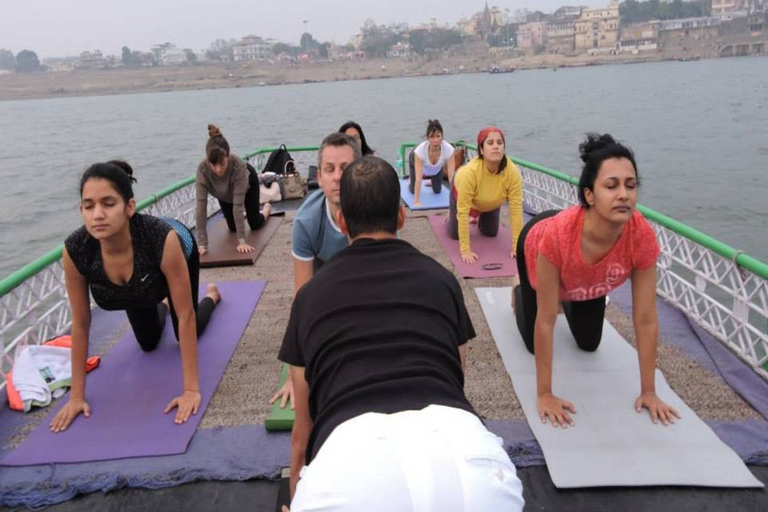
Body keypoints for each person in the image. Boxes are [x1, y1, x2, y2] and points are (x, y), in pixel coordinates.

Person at [279, 156, 525, 511]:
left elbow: (303, 428)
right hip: (468, 461)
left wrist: (297, 498)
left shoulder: (309, 298)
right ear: (401, 215)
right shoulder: (442, 281)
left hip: (347, 464)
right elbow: (456, 379)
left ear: (343, 221)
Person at [513, 133, 680, 429]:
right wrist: (545, 394)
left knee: (589, 344)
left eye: (631, 185)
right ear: (589, 195)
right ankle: (519, 294)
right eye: (611, 185)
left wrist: (649, 392)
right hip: (537, 247)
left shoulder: (641, 237)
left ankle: (568, 294)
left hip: (586, 279)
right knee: (533, 341)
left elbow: (645, 319)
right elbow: (548, 321)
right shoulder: (556, 237)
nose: (624, 195)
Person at [51, 161, 221, 433]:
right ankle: (163, 300)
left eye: (108, 204)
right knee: (148, 342)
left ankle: (211, 297)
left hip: (178, 251)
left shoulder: (160, 239)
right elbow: (81, 324)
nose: (97, 215)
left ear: (129, 207)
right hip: (139, 285)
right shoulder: (76, 251)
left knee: (183, 329)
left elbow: (187, 316)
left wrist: (191, 390)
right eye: (88, 205)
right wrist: (76, 397)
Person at [269, 133, 361, 409]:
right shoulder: (307, 221)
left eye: (345, 169)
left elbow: (393, 277)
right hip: (325, 280)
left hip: (361, 273)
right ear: (319, 178)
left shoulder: (377, 210)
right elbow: (302, 299)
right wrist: (293, 374)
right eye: (330, 170)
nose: (337, 178)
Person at [449, 126, 524, 264]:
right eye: (490, 143)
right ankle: (449, 218)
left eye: (499, 143)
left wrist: (517, 247)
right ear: (481, 150)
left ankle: (480, 217)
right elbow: (463, 212)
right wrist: (465, 250)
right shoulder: (470, 173)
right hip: (462, 194)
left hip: (491, 202)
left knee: (490, 233)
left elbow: (516, 209)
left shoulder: (512, 172)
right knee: (454, 235)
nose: (496, 147)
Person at [195, 125, 272, 256]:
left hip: (247, 185)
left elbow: (238, 206)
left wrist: (242, 242)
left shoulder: (239, 166)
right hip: (223, 193)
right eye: (213, 165)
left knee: (254, 223)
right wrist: (202, 244)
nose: (218, 170)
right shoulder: (202, 170)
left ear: (228, 156)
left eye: (222, 164)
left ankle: (266, 209)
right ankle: (241, 220)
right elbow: (201, 207)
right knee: (232, 228)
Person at [409, 119, 456, 207]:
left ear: (442, 136)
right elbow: (419, 179)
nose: (435, 140)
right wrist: (416, 201)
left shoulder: (449, 150)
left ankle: (432, 180)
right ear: (428, 138)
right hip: (415, 159)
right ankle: (410, 180)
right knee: (412, 190)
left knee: (437, 190)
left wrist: (457, 199)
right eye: (432, 137)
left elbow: (451, 176)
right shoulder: (420, 152)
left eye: (438, 136)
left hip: (435, 168)